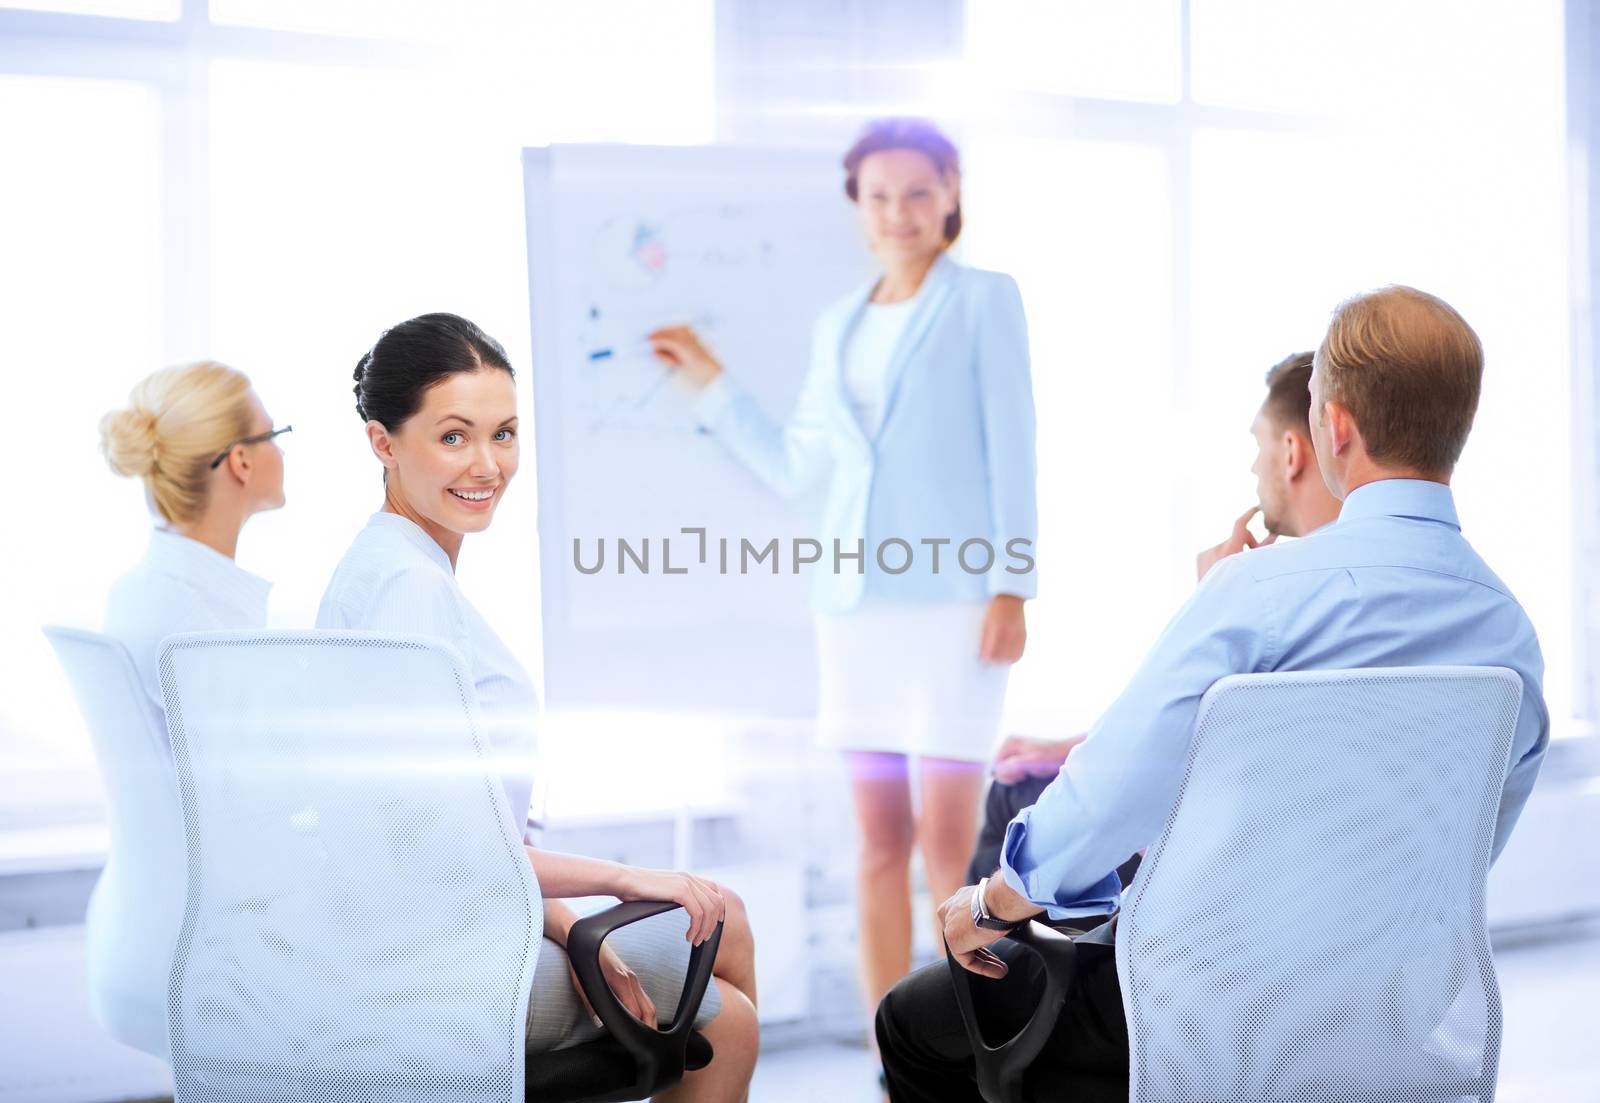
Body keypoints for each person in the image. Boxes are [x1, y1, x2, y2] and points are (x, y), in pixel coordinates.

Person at [876, 286, 1550, 1101]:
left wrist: (989, 902)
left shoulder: (1258, 594)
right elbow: (1468, 850)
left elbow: (1115, 787)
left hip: (1188, 1017)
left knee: (911, 1023)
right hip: (1380, 1014)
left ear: (1334, 427)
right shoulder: (1512, 636)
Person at [650, 118, 1038, 1034]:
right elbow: (801, 468)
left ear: (950, 193)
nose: (899, 212)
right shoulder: (839, 326)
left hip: (954, 605)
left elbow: (1012, 444)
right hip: (855, 611)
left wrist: (1013, 584)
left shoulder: (984, 299)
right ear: (856, 208)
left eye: (918, 191)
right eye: (879, 196)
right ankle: (892, 1047)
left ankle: (968, 1046)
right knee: (876, 844)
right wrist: (710, 381)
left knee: (949, 847)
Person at [319, 313, 758, 1100]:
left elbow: (449, 832)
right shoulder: (409, 593)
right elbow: (450, 852)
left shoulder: (386, 564)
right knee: (728, 1004)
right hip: (440, 970)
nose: (488, 464)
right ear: (383, 442)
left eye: (505, 433)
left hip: (425, 934)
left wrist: (563, 920)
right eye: (453, 437)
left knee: (718, 917)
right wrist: (625, 880)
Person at [967, 351, 1342, 886]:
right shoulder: (1425, 601)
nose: (1252, 467)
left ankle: (976, 947)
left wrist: (1214, 601)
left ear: (1290, 453)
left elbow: (1154, 759)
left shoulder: (1255, 592)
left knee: (1013, 796)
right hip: (1321, 885)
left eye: (1257, 445)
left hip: (1217, 876)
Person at [92, 360, 288, 1057]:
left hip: (150, 934)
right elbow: (260, 822)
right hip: (232, 958)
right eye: (276, 434)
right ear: (240, 461)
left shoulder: (142, 590)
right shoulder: (197, 626)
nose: (281, 452)